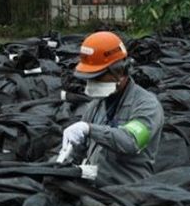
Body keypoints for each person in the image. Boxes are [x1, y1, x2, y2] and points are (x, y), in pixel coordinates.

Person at [59, 31, 165, 186]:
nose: (92, 84)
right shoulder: (96, 105)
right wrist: (64, 159)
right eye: (89, 79)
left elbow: (131, 141)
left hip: (129, 192)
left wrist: (89, 129)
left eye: (97, 77)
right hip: (95, 186)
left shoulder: (147, 105)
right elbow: (80, 149)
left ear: (120, 71)